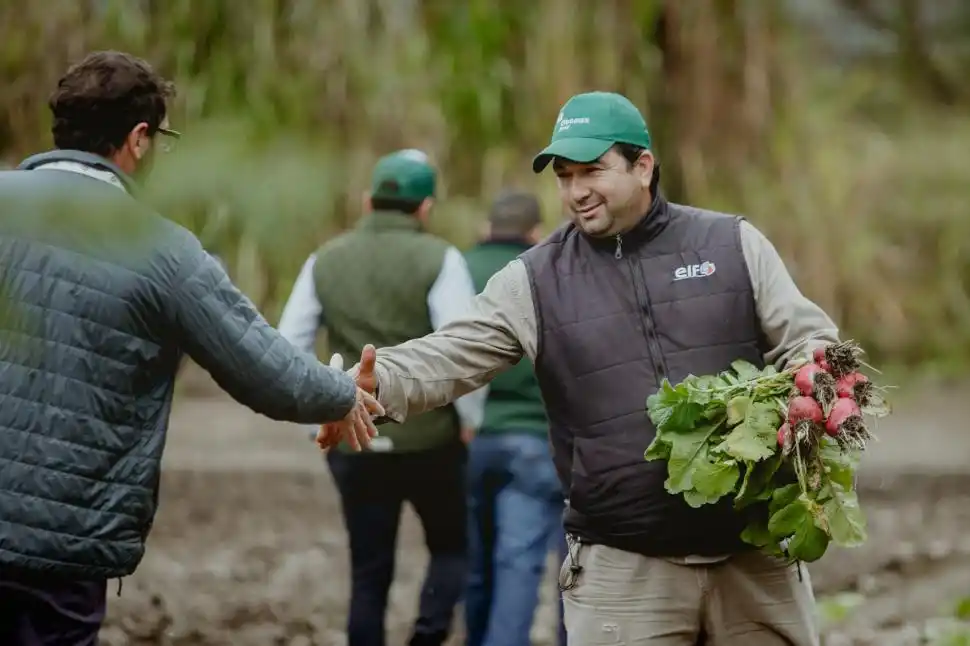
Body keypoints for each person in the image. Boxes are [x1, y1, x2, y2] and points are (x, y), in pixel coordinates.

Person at [325, 91, 840, 646]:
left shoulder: (732, 243)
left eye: (592, 170)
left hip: (755, 559)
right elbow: (454, 350)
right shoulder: (537, 278)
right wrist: (379, 380)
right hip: (624, 570)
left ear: (643, 167)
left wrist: (822, 378)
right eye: (564, 176)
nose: (576, 192)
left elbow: (806, 337)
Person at [0, 50, 380, 645]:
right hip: (64, 541)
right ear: (140, 139)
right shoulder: (161, 250)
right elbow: (264, 368)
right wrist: (342, 393)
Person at [277, 149, 485, 646]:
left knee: (369, 571)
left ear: (368, 201)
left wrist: (316, 420)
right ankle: (426, 636)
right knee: (452, 549)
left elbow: (288, 345)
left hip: (355, 442)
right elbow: (461, 350)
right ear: (426, 208)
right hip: (431, 442)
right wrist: (468, 421)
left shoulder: (323, 260)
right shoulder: (442, 259)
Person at [461, 191, 564, 646]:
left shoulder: (457, 268)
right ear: (535, 232)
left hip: (468, 440)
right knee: (520, 563)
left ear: (487, 227)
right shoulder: (549, 274)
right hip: (535, 441)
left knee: (475, 562)